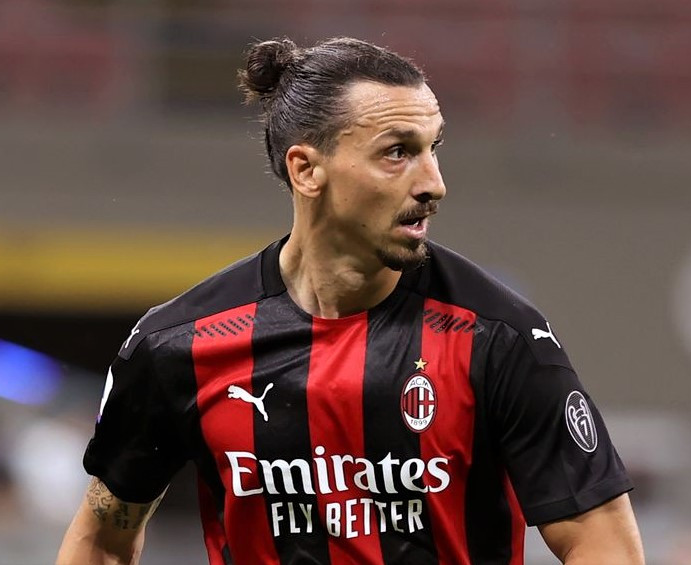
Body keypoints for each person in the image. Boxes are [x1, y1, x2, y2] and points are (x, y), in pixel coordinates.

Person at [57, 36, 643, 565]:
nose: (433, 183)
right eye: (398, 152)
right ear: (307, 170)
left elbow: (602, 544)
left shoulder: (498, 336)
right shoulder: (177, 345)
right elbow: (101, 541)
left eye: (433, 148)